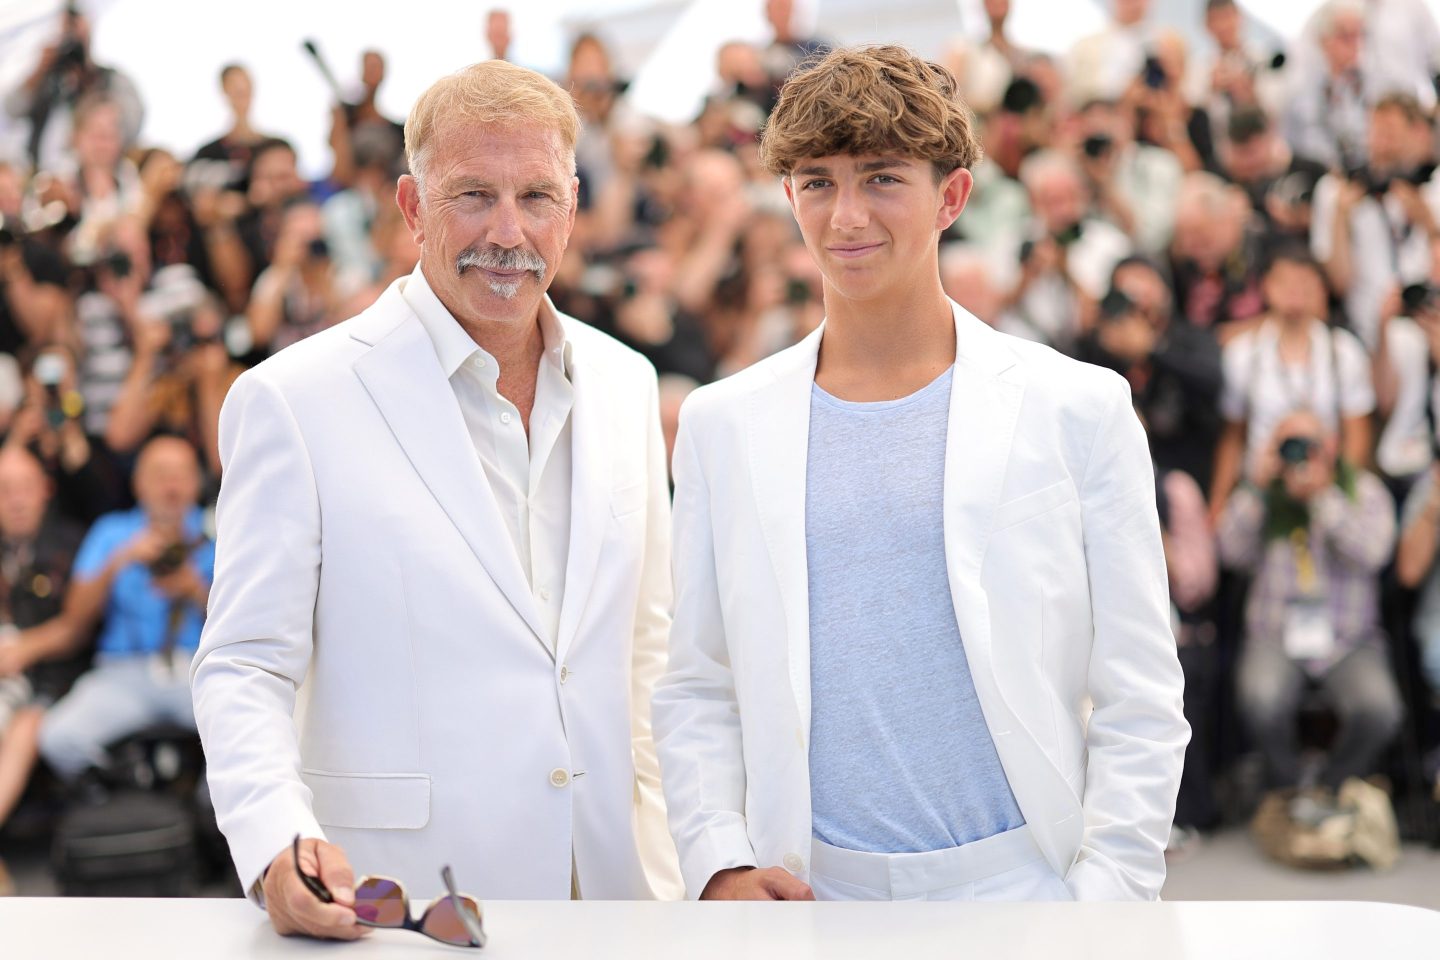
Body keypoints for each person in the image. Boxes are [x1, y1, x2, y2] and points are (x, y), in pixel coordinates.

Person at [653, 45, 1188, 903]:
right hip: (805, 895)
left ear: (952, 197)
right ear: (788, 196)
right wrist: (719, 863)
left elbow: (1140, 690)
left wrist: (1110, 895)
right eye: (818, 182)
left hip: (1026, 889)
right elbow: (699, 682)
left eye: (881, 178)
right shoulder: (723, 423)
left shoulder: (1078, 407)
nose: (847, 215)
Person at [190, 60, 682, 942]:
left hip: (622, 897)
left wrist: (694, 853)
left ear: (572, 206)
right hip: (403, 907)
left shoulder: (627, 380)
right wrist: (275, 843)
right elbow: (245, 665)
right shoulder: (293, 399)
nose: (508, 231)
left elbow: (652, 649)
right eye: (474, 195)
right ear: (413, 207)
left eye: (536, 196)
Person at [1217, 410, 1401, 799]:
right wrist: (1257, 490)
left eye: (1308, 445)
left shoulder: (1362, 490)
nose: (1299, 455)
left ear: (1330, 446)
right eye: (1288, 445)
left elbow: (1374, 554)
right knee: (1259, 699)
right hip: (1275, 635)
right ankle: (1290, 789)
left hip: (1350, 640)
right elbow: (1228, 552)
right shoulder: (1264, 494)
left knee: (1380, 710)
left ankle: (1332, 787)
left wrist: (1322, 499)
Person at [37, 436, 214, 782]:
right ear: (138, 483)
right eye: (160, 475)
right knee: (58, 738)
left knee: (243, 735)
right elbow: (75, 618)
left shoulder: (218, 534)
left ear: (197, 483)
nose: (171, 487)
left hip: (197, 672)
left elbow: (247, 626)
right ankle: (128, 786)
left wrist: (195, 590)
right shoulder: (112, 532)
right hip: (122, 672)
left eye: (181, 475)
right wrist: (121, 560)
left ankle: (208, 806)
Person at [0, 446, 85, 895]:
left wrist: (23, 650)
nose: (15, 500)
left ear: (45, 490)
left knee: (25, 726)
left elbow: (76, 628)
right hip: (9, 679)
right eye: (4, 490)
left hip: (55, 679)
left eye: (24, 488)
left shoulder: (72, 544)